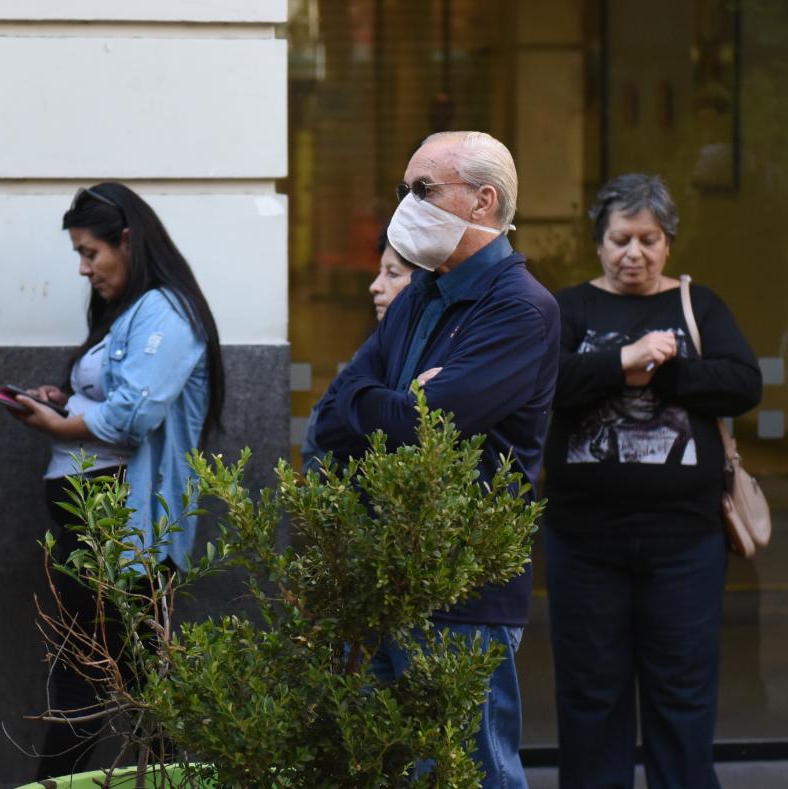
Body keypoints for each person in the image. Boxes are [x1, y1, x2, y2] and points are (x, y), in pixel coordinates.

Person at [312, 131, 559, 788]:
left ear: (482, 201)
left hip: (465, 592)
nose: (406, 204)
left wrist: (381, 401)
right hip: (388, 573)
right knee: (394, 771)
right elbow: (331, 417)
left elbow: (420, 428)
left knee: (470, 773)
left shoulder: (521, 308)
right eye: (405, 190)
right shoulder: (421, 293)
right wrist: (385, 400)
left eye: (422, 189)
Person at [542, 174, 761, 788]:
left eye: (648, 239)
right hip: (583, 542)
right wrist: (621, 361)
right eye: (619, 239)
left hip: (684, 543)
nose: (633, 253)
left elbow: (742, 384)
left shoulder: (700, 306)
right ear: (599, 242)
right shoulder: (568, 308)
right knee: (590, 695)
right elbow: (545, 387)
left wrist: (657, 375)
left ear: (668, 244)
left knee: (682, 694)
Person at [11, 182, 225, 780]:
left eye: (90, 253)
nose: (83, 269)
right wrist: (66, 397)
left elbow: (134, 414)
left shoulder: (165, 311)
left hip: (125, 534)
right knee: (127, 682)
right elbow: (115, 395)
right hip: (101, 530)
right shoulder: (133, 311)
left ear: (126, 241)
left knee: (91, 682)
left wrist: (61, 421)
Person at [302, 226, 415, 468]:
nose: (375, 286)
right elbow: (318, 436)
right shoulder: (375, 348)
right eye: (379, 272)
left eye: (392, 274)